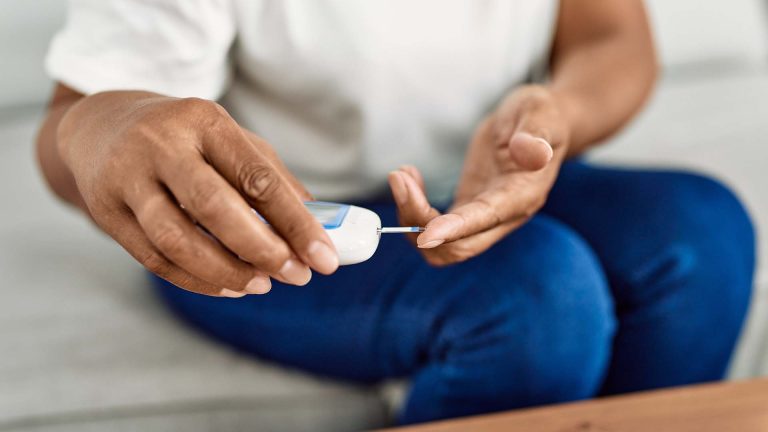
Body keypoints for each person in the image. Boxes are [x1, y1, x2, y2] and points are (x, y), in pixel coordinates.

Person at [37, 0, 755, 425]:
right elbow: (73, 127)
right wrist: (101, 128)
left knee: (705, 234)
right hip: (271, 228)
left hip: (487, 168)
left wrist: (553, 116)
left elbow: (610, 36)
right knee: (538, 295)